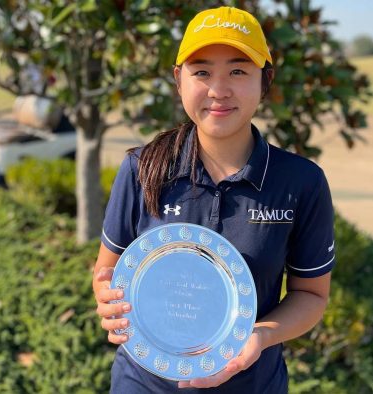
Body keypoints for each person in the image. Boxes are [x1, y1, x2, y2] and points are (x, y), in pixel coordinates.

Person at [92, 6, 335, 393]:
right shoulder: (142, 168)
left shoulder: (300, 182)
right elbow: (108, 270)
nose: (218, 90)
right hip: (143, 383)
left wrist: (260, 336)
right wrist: (108, 299)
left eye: (238, 71)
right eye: (201, 71)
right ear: (179, 79)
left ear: (264, 80)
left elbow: (311, 295)